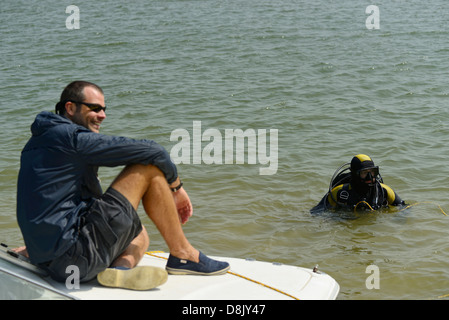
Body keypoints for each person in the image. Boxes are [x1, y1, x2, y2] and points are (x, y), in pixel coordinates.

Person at [16, 80, 229, 290]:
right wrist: (177, 189)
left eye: (104, 109)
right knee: (147, 168)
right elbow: (155, 151)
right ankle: (184, 255)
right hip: (76, 260)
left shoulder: (37, 143)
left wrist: (40, 245)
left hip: (51, 260)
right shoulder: (72, 139)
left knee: (139, 232)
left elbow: (47, 201)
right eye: (95, 108)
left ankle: (120, 271)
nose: (103, 115)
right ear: (70, 108)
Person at [310, 154, 405, 214]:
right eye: (364, 173)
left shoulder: (384, 190)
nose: (369, 177)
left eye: (371, 172)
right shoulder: (339, 192)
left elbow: (404, 207)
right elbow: (317, 212)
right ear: (354, 174)